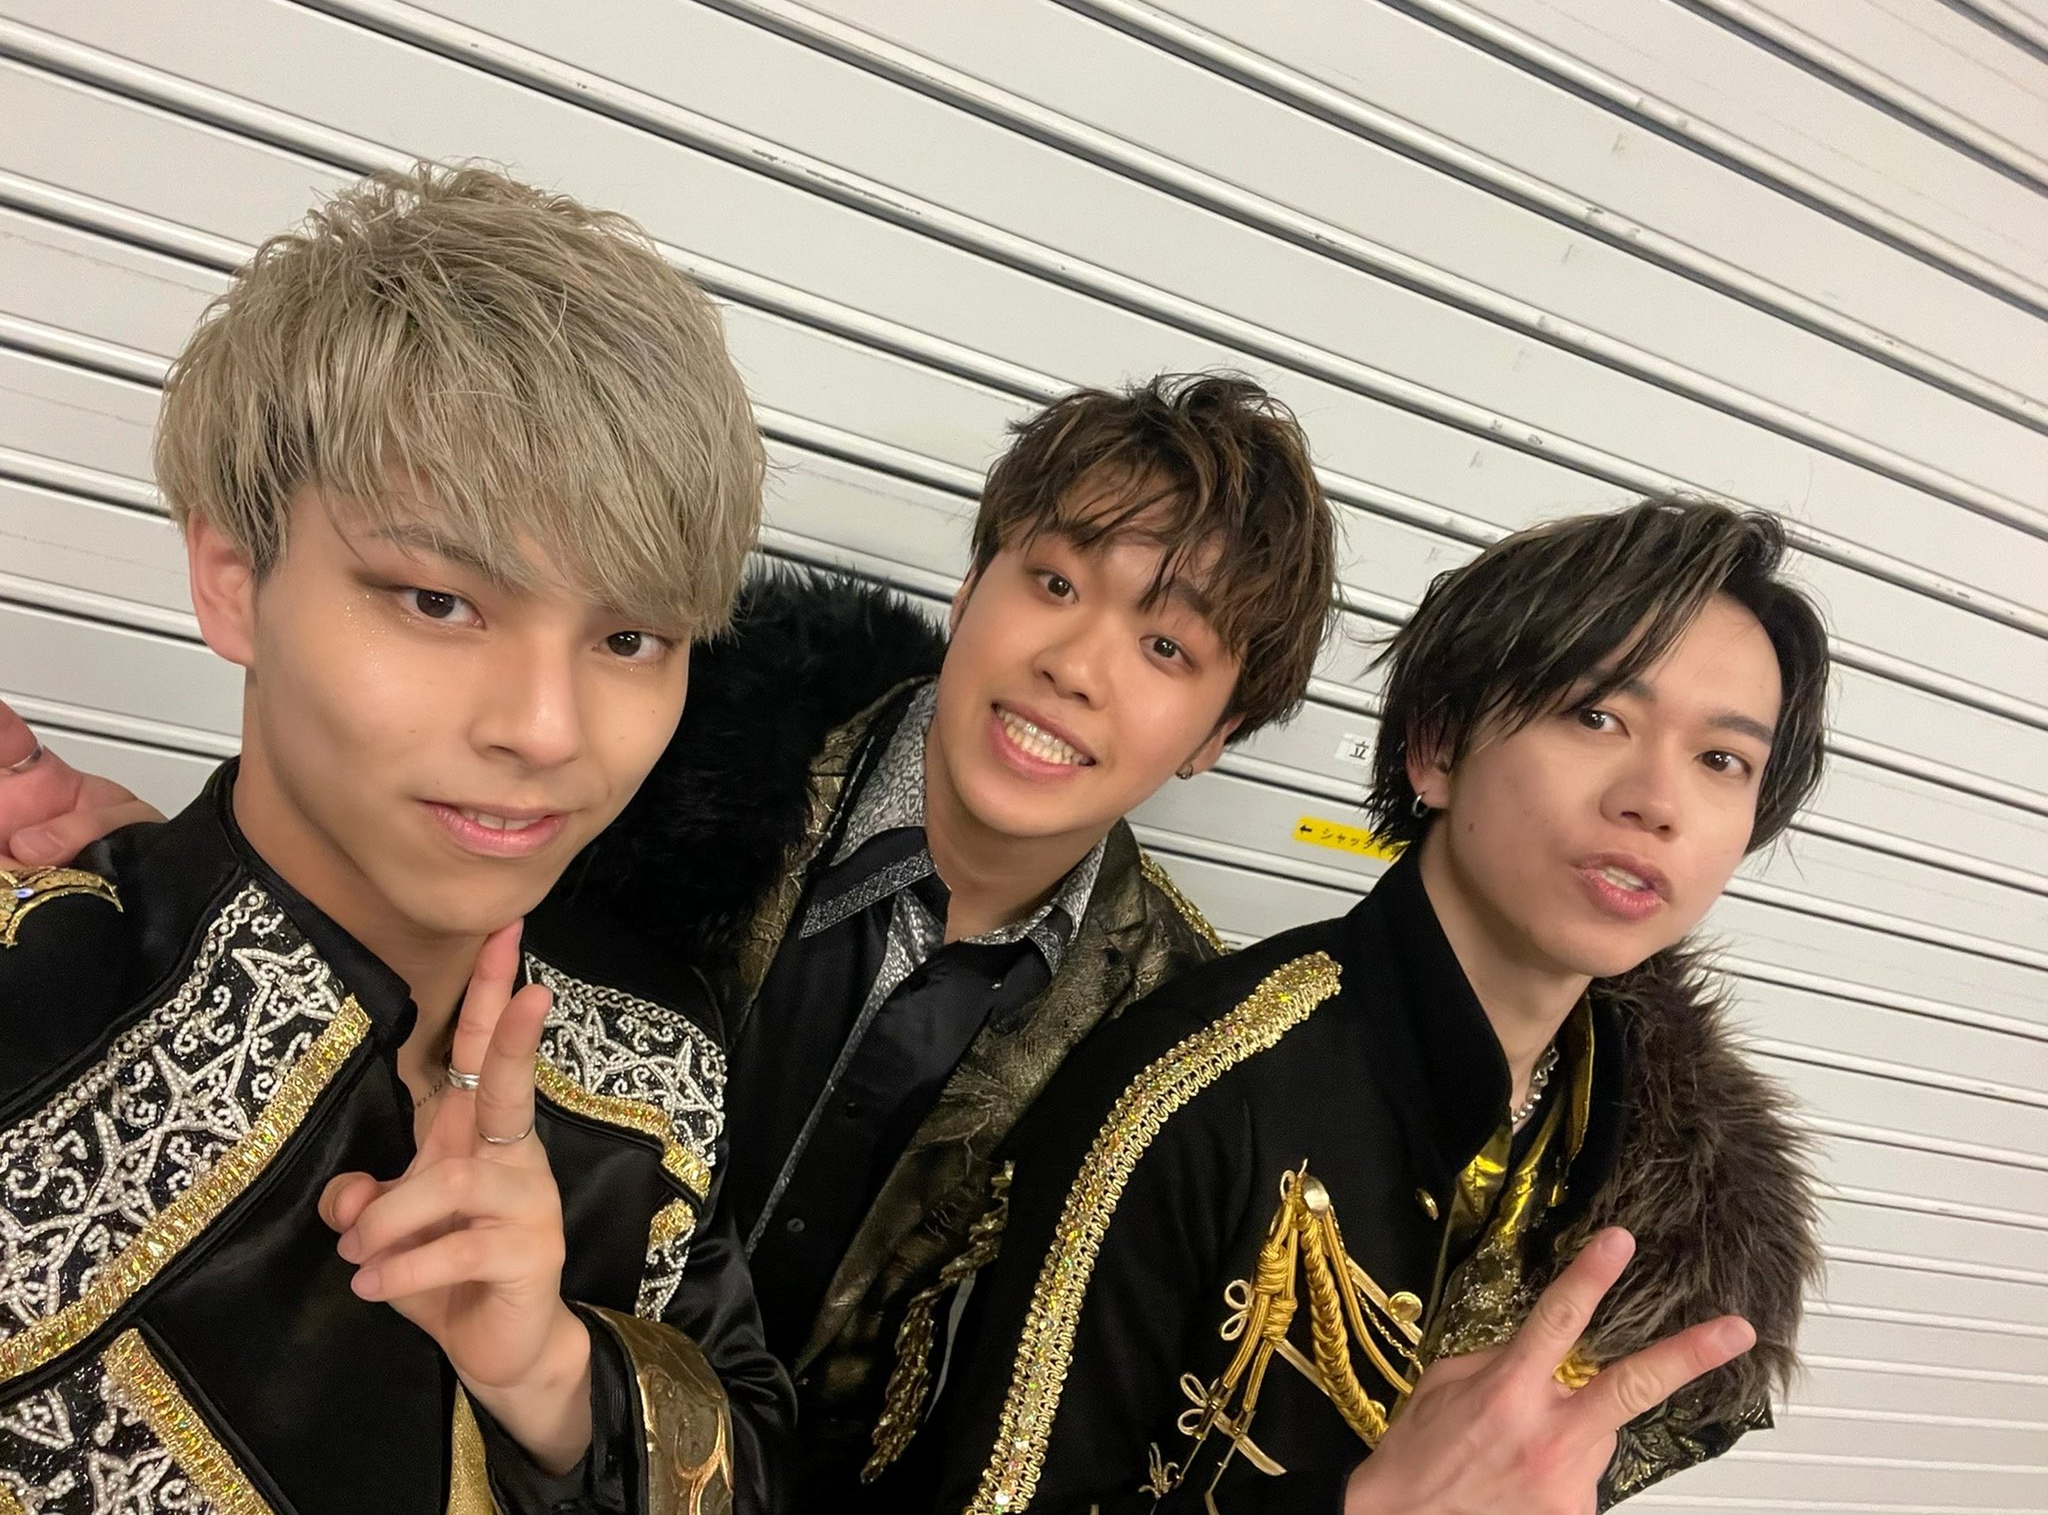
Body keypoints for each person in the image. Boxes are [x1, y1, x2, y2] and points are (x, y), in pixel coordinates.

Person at [0, 374, 1340, 1492]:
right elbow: (393, 888)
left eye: (1167, 650)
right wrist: (190, 899)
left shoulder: (1179, 1054)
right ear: (974, 580)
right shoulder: (655, 746)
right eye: (1051, 581)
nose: (1077, 663)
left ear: (1217, 735)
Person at [0, 163, 792, 1514]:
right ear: (232, 578)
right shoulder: (32, 1024)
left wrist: (559, 1383)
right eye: (436, 601)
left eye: (628, 637)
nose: (546, 728)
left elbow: (754, 1456)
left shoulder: (656, 1058)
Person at [903, 497, 1827, 1513]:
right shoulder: (1188, 1096)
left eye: (1721, 760)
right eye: (1595, 715)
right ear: (1437, 747)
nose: (1656, 800)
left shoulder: (1673, 1189)